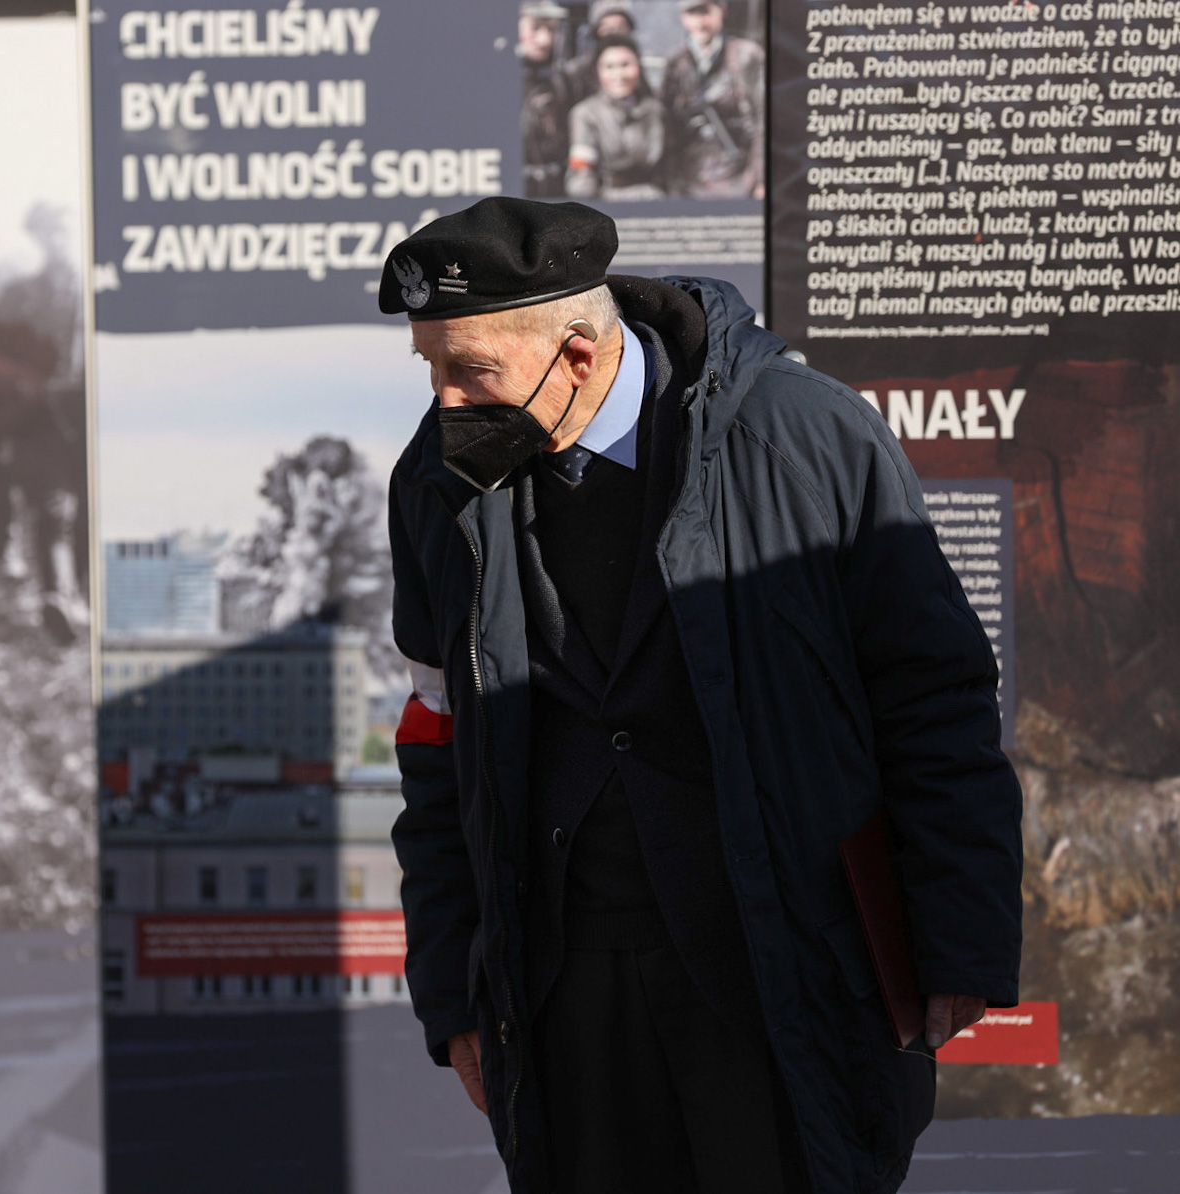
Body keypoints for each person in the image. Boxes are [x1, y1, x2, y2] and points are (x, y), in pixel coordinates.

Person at [377, 196, 1023, 1193]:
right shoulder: (436, 482)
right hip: (565, 1003)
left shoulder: (802, 436)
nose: (445, 401)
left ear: (577, 355)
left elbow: (932, 701)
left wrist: (958, 943)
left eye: (470, 371)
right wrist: (454, 991)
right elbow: (434, 746)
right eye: (430, 367)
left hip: (784, 973)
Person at [660, 0, 765, 198]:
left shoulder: (747, 56)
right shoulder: (675, 62)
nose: (699, 21)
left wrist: (761, 178)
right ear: (682, 17)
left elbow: (763, 119)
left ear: (722, 11)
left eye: (705, 12)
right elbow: (667, 126)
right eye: (692, 13)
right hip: (688, 177)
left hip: (741, 173)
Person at [565, 34, 665, 200]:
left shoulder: (655, 110)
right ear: (598, 71)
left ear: (638, 67)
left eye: (625, 65)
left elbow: (671, 165)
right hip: (609, 200)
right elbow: (581, 177)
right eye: (609, 67)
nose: (619, 75)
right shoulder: (585, 114)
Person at [518, 0, 586, 197]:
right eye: (535, 28)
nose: (545, 40)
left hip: (555, 188)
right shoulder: (496, 80)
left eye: (552, 30)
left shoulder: (563, 81)